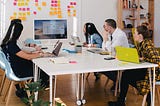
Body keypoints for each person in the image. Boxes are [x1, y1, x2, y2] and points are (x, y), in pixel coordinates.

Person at [108, 25, 160, 106]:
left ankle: (121, 101)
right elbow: (138, 56)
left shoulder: (148, 45)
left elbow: (157, 59)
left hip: (150, 72)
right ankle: (148, 95)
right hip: (145, 69)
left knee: (126, 76)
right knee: (126, 75)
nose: (133, 35)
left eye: (135, 33)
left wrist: (143, 58)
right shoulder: (140, 44)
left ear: (140, 36)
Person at [0, 19, 52, 98]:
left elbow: (21, 53)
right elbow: (27, 57)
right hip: (18, 71)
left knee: (36, 67)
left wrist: (35, 53)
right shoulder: (12, 45)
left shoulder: (6, 42)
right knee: (43, 71)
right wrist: (41, 55)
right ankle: (28, 93)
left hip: (15, 66)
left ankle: (28, 89)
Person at [101, 19, 129, 91]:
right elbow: (104, 49)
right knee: (101, 68)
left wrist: (106, 39)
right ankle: (117, 81)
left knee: (103, 68)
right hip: (114, 57)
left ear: (109, 27)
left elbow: (111, 50)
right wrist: (105, 40)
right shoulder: (111, 34)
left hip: (122, 59)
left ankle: (119, 81)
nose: (104, 28)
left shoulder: (120, 35)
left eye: (105, 26)